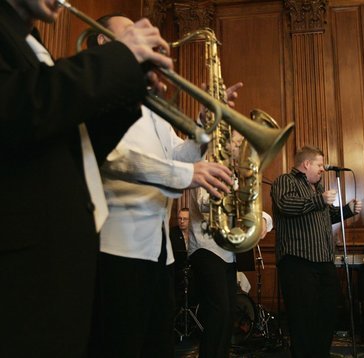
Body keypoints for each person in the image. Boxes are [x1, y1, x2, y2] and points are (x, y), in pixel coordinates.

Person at [0, 1, 175, 356]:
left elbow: (73, 148)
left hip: (61, 264)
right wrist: (116, 61)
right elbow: (16, 105)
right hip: (23, 274)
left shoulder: (32, 43)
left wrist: (129, 93)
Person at [85, 13, 242, 357]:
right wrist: (186, 175)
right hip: (119, 249)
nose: (142, 37)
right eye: (130, 31)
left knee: (157, 346)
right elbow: (116, 158)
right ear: (102, 40)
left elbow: (177, 152)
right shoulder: (96, 89)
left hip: (160, 253)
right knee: (118, 346)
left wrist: (204, 127)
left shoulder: (150, 102)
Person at [271, 145, 362, 358]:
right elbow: (286, 205)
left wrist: (347, 210)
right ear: (306, 164)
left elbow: (325, 215)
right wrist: (319, 200)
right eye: (320, 164)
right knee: (302, 317)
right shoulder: (286, 181)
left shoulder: (317, 188)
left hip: (323, 259)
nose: (323, 169)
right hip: (298, 260)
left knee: (328, 313)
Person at [189, 130, 273, 358]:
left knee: (227, 316)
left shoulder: (235, 173)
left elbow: (251, 206)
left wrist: (264, 220)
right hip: (206, 249)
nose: (241, 148)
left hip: (228, 253)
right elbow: (205, 202)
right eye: (237, 143)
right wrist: (238, 194)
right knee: (219, 312)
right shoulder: (204, 163)